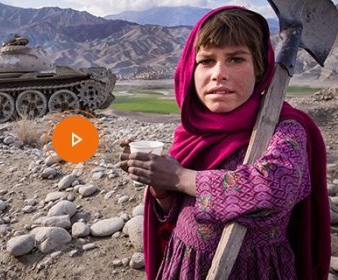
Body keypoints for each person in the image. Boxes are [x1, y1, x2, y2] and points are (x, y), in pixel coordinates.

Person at [119, 6, 330, 280]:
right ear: (189, 71)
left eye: (236, 59)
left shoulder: (285, 128)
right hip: (185, 267)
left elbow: (274, 190)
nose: (219, 73)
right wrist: (162, 187)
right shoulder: (191, 135)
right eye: (206, 61)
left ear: (260, 68)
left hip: (257, 270)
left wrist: (180, 177)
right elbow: (178, 212)